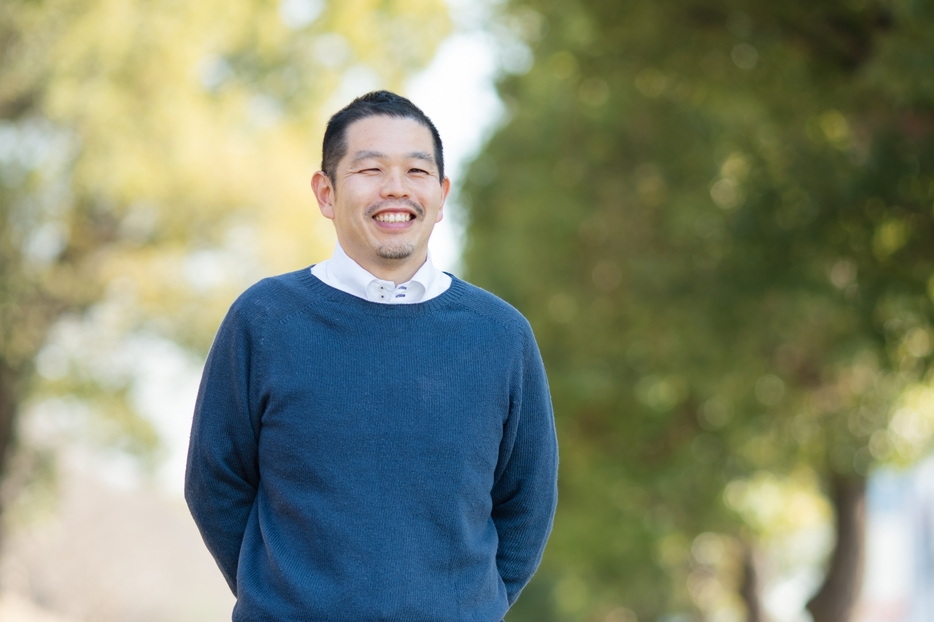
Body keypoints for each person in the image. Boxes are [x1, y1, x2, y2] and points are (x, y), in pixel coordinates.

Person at [185, 90, 558, 621]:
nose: (396, 189)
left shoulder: (501, 336)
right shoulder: (264, 319)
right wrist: (283, 596)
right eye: (370, 169)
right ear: (326, 192)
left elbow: (527, 502)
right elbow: (213, 482)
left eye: (417, 171)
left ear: (442, 193)